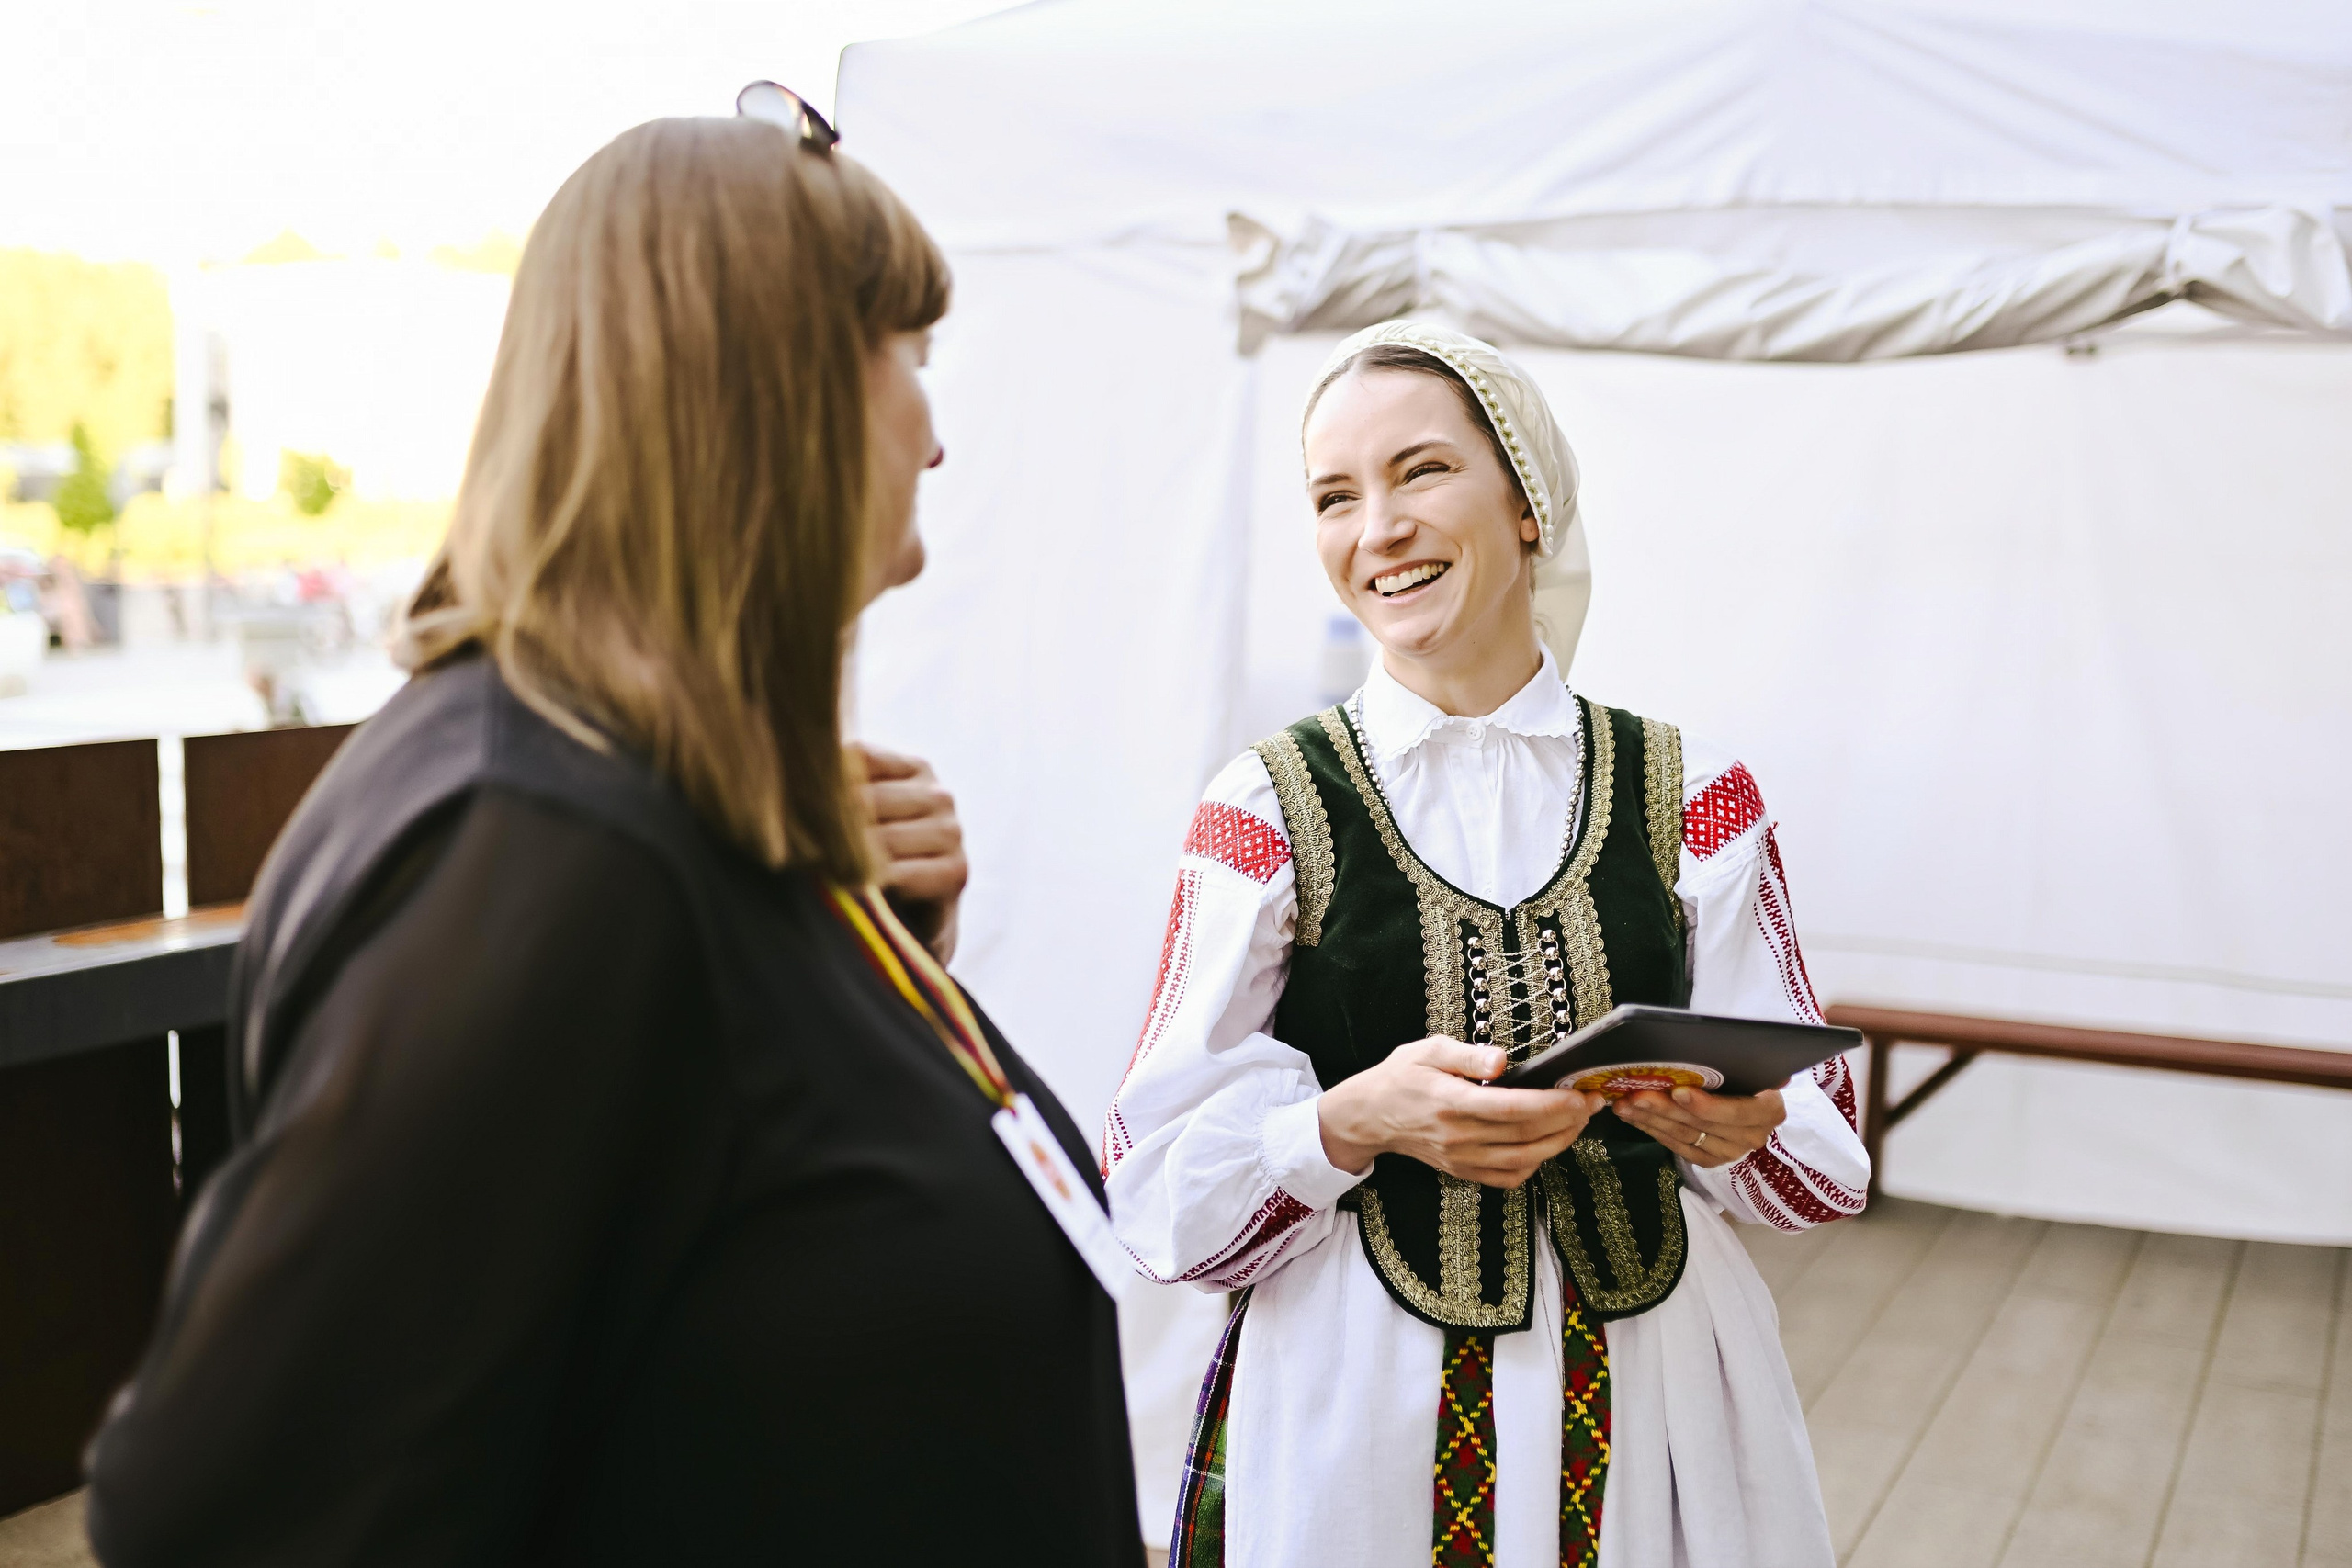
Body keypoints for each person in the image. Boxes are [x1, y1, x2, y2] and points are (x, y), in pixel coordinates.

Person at [84, 100, 1144, 1566]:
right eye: (908, 356)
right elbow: (230, 1514)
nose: (938, 435)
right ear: (765, 387)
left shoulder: (667, 803)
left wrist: (856, 979)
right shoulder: (541, 846)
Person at [1103, 321, 1868, 1567]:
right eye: (1335, 497)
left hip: (1653, 1393)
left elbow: (1822, 1142)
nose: (1378, 528)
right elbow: (1154, 1179)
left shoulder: (1692, 793)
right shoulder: (1265, 806)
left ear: (1528, 504)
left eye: (1421, 472)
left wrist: (1742, 1128)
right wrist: (1349, 1120)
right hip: (1359, 1404)